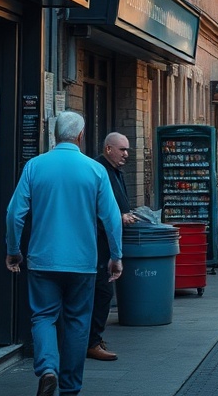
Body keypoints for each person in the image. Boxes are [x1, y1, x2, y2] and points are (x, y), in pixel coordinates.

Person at [5, 111, 123, 396]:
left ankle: (47, 369)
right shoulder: (95, 170)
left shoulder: (35, 166)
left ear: (54, 135)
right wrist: (116, 255)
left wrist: (13, 250)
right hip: (82, 263)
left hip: (43, 260)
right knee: (77, 322)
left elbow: (14, 213)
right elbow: (112, 217)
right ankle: (70, 387)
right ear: (80, 136)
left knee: (43, 316)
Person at [88, 132, 138, 362]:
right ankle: (92, 342)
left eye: (127, 150)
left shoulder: (116, 171)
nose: (126, 154)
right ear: (108, 149)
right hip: (98, 242)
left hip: (109, 241)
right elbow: (96, 209)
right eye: (122, 149)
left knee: (103, 292)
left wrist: (125, 213)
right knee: (102, 292)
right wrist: (120, 216)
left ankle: (93, 339)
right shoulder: (99, 170)